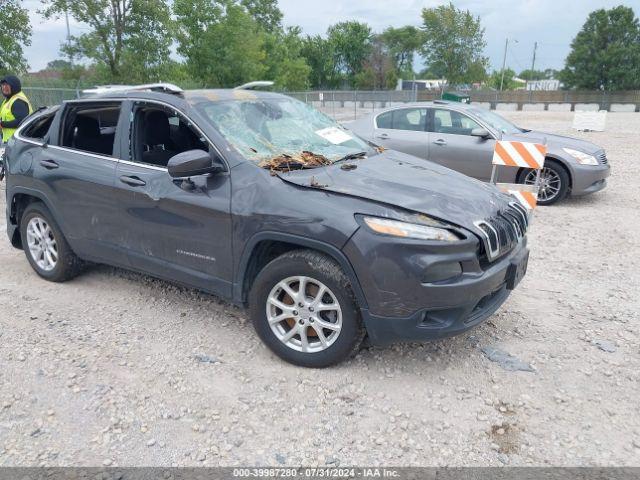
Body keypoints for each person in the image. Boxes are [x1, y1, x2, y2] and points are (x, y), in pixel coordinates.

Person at [0, 75, 33, 144]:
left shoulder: (18, 101)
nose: (4, 87)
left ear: (14, 86)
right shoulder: (9, 99)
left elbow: (21, 121)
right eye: (2, 85)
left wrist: (2, 124)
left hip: (17, 142)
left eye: (7, 85)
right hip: (10, 140)